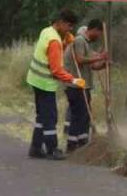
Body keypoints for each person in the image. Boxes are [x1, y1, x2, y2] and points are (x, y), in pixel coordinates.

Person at [26, 10, 82, 160]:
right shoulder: (55, 42)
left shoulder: (47, 31)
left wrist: (66, 41)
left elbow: (51, 51)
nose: (70, 29)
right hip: (45, 83)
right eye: (69, 26)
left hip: (35, 79)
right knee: (50, 117)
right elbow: (56, 69)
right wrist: (73, 80)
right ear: (61, 22)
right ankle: (52, 149)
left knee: (42, 116)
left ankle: (36, 148)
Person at [65, 20, 109, 152]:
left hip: (84, 85)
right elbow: (79, 60)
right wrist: (99, 56)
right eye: (99, 33)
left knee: (84, 115)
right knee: (79, 115)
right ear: (94, 30)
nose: (99, 36)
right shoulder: (79, 41)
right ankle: (72, 145)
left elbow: (91, 66)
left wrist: (103, 64)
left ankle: (82, 141)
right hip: (76, 85)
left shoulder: (86, 43)